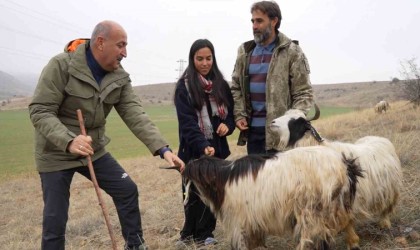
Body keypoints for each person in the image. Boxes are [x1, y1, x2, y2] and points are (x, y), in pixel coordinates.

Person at [28, 20, 184, 250]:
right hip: (56, 152)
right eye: (121, 45)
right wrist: (69, 140)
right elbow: (40, 110)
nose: (125, 53)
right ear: (100, 43)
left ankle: (135, 246)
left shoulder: (119, 76)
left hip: (94, 149)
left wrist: (164, 150)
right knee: (55, 220)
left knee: (127, 190)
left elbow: (135, 114)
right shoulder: (62, 66)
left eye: (126, 46)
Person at [173, 39, 235, 247]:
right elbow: (187, 123)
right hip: (192, 149)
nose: (205, 63)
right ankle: (188, 233)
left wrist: (227, 125)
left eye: (208, 58)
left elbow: (231, 115)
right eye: (199, 59)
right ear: (192, 59)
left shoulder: (221, 85)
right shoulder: (185, 88)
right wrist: (202, 145)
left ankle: (206, 233)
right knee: (191, 192)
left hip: (217, 150)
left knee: (213, 191)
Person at [231, 0, 314, 154]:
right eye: (253, 21)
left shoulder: (292, 51)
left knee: (284, 178)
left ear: (274, 21)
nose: (254, 26)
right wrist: (239, 115)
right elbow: (235, 87)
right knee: (257, 178)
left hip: (283, 135)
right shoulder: (244, 51)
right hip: (253, 133)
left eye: (259, 21)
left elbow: (304, 94)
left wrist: (291, 122)